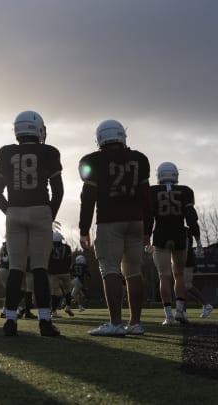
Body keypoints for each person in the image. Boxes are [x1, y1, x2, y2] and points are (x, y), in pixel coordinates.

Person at [0, 110, 64, 337]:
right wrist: (48, 215)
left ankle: (11, 320)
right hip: (41, 208)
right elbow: (59, 191)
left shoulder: (5, 152)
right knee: (40, 268)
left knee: (15, 268)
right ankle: (44, 321)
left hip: (15, 211)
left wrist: (11, 211)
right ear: (38, 129)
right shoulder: (49, 151)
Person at [79, 120, 152, 337]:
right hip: (136, 221)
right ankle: (136, 323)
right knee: (133, 272)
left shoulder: (93, 160)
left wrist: (84, 229)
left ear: (100, 137)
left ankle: (116, 323)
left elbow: (88, 198)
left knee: (110, 269)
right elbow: (147, 198)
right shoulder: (140, 159)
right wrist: (148, 227)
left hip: (110, 221)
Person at [148, 162, 203, 325]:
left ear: (159, 175)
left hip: (160, 235)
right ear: (175, 175)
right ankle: (180, 311)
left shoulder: (152, 191)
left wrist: (146, 236)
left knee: (163, 276)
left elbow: (150, 217)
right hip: (179, 235)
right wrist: (198, 239)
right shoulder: (185, 191)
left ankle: (168, 316)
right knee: (179, 275)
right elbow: (191, 217)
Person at [182, 228, 213, 318]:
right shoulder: (184, 230)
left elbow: (185, 248)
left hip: (186, 261)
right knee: (183, 286)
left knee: (186, 286)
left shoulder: (185, 230)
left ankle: (184, 311)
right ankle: (184, 310)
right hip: (184, 260)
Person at [48, 231, 74, 318]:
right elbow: (69, 260)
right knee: (68, 290)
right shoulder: (67, 247)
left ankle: (54, 311)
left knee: (56, 293)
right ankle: (68, 306)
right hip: (65, 272)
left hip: (54, 273)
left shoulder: (49, 248)